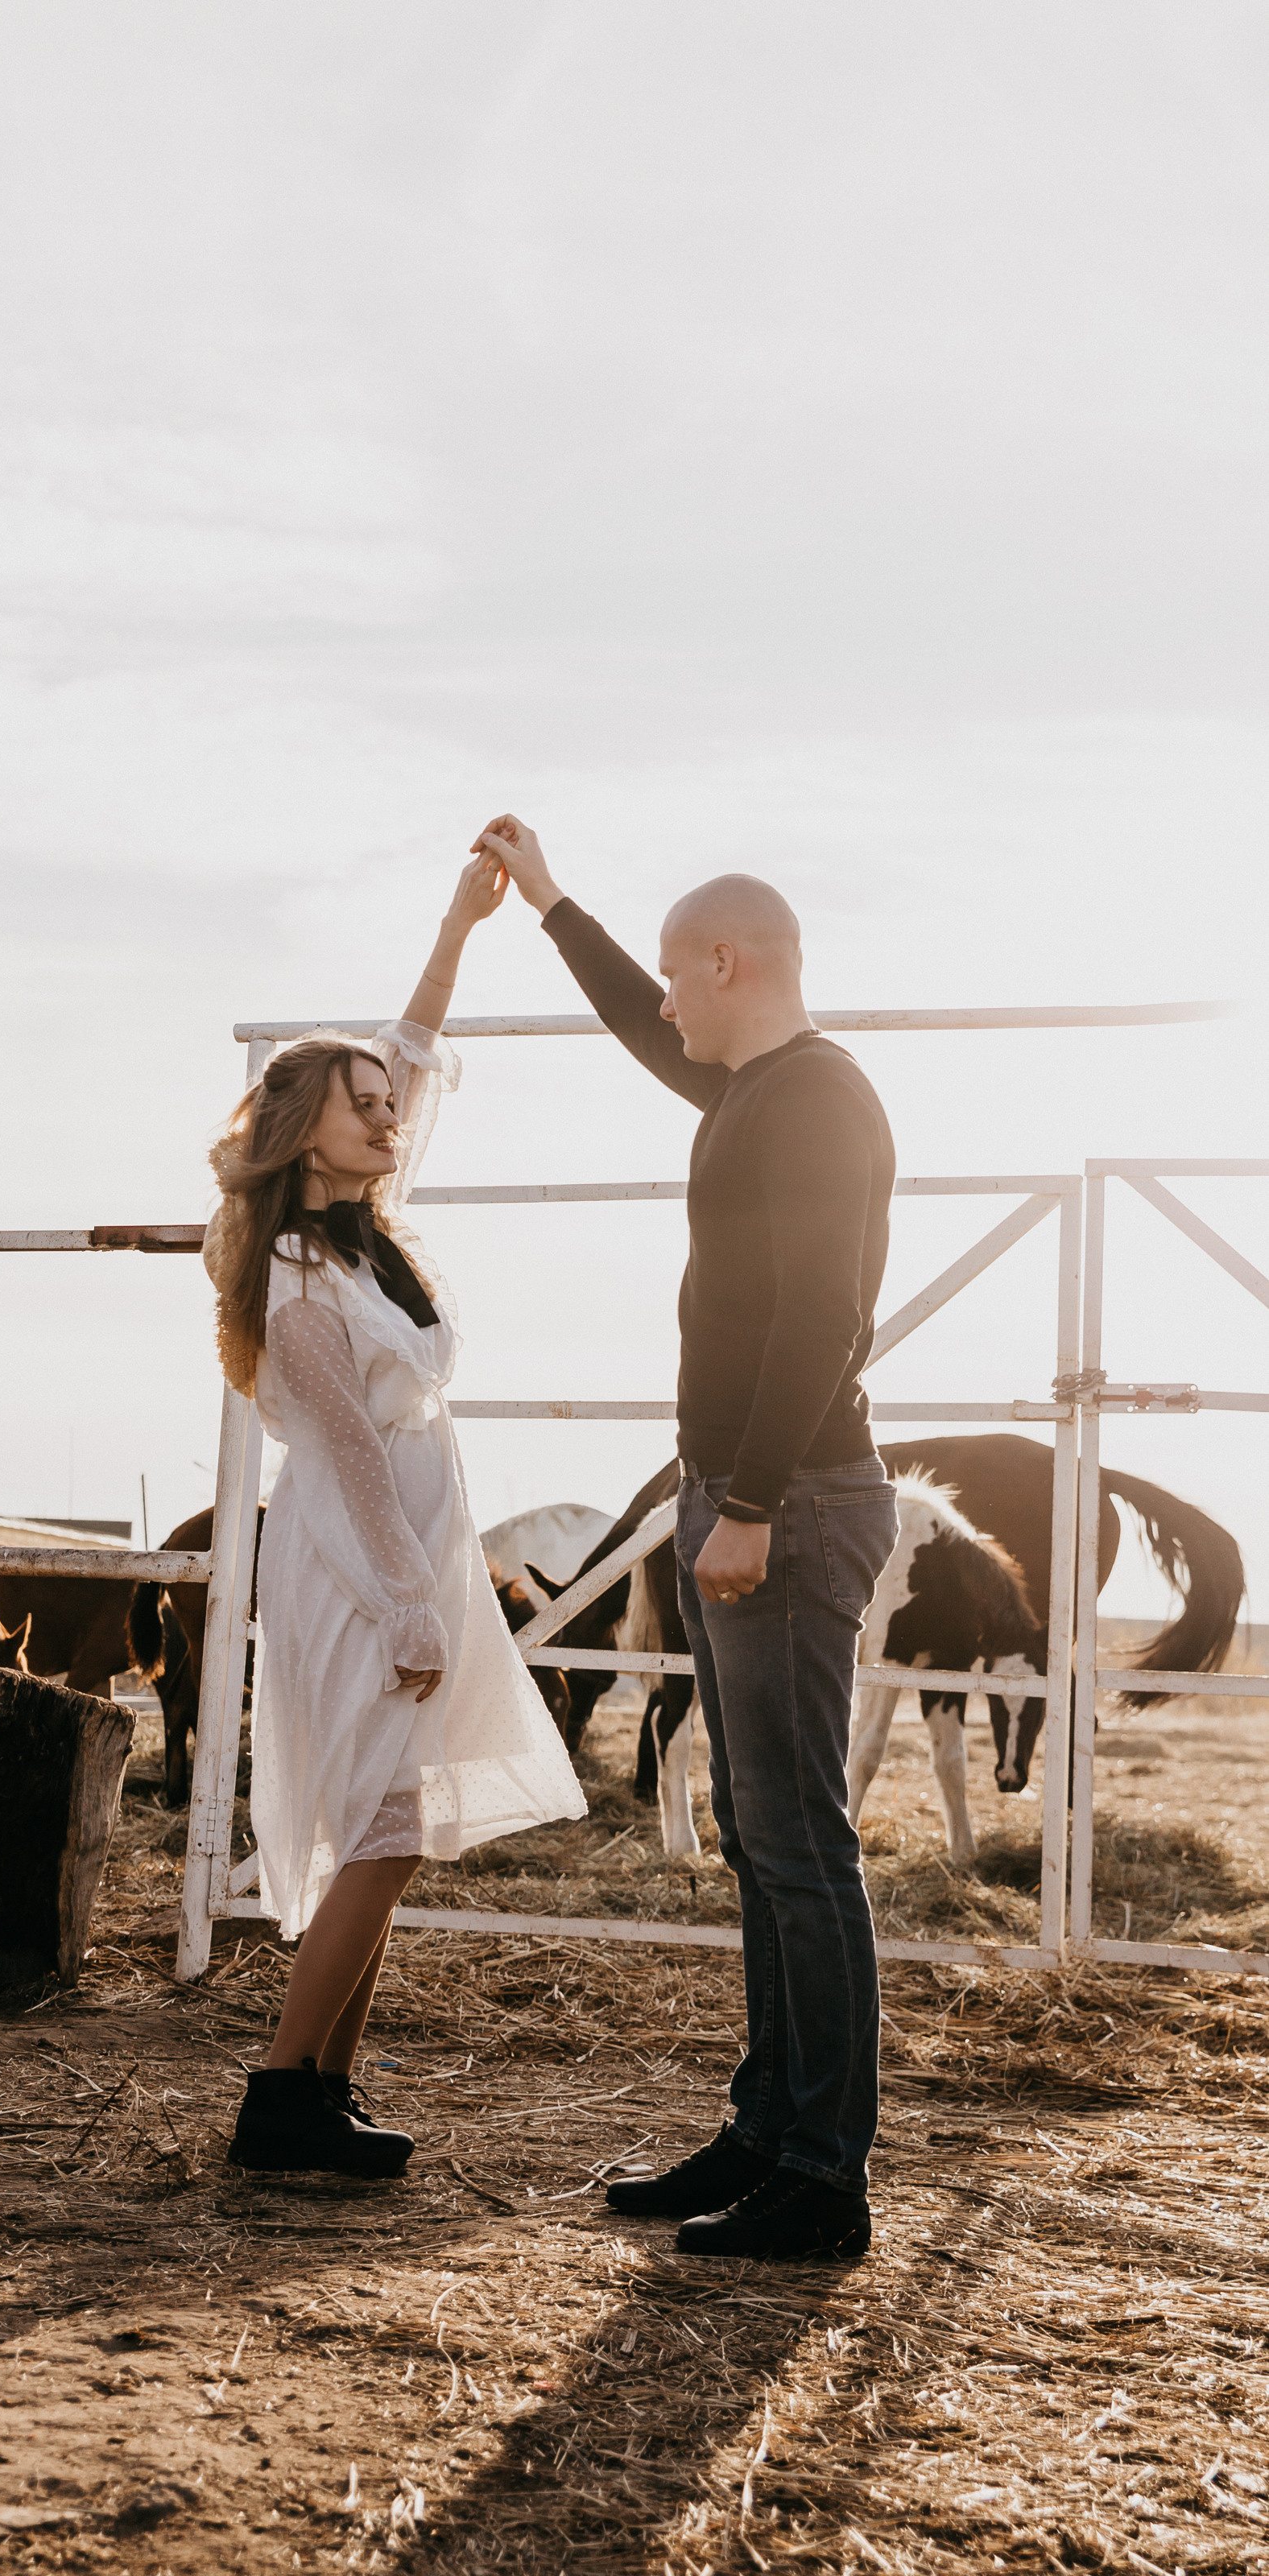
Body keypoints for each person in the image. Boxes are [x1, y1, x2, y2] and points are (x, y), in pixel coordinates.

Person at [472, 814, 898, 2260]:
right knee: (757, 1838)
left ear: (726, 961)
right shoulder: (747, 1090)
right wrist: (548, 902)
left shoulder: (817, 1101)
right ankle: (766, 2130)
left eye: (672, 972)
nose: (660, 1000)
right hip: (738, 1496)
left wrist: (758, 1504)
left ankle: (821, 2176)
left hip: (792, 1502)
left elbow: (821, 1315)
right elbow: (625, 1023)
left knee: (798, 1846)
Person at [204, 852, 587, 2179]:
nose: (389, 1119)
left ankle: (325, 2088)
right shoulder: (302, 1278)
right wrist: (410, 1602)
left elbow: (412, 1050)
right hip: (360, 1564)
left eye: (388, 1108)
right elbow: (355, 1458)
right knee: (380, 1826)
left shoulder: (371, 1237)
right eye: (361, 1108)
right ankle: (275, 2100)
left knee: (398, 1825)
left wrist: (459, 927)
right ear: (303, 1124)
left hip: (412, 1553)